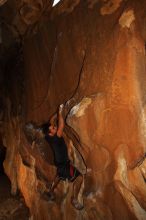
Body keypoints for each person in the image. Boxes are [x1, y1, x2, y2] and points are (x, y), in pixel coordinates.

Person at [43, 104, 84, 210]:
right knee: (79, 178)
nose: (54, 127)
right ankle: (74, 199)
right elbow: (61, 125)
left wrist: (56, 113)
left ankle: (50, 192)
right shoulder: (56, 137)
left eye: (53, 127)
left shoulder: (48, 137)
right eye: (53, 128)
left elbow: (51, 120)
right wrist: (60, 112)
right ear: (51, 133)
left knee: (59, 176)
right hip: (64, 164)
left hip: (59, 163)